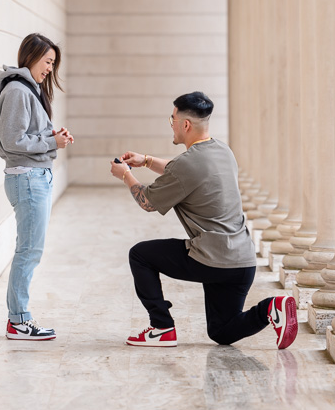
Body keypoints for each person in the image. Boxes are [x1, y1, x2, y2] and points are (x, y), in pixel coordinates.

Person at [110, 91, 297, 350]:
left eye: (172, 119)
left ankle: (161, 327)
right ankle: (271, 308)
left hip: (213, 260)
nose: (171, 125)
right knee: (221, 331)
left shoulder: (187, 164)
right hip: (242, 262)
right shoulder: (222, 150)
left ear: (185, 124)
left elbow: (148, 201)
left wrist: (125, 175)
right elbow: (185, 172)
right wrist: (147, 161)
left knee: (140, 255)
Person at [0, 33, 73, 341]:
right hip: (27, 178)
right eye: (47, 62)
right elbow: (11, 139)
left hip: (33, 176)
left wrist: (53, 135)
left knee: (30, 250)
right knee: (28, 251)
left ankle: (19, 318)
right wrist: (52, 141)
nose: (50, 69)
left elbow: (25, 134)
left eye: (53, 64)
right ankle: (18, 321)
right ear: (31, 57)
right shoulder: (16, 90)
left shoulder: (28, 89)